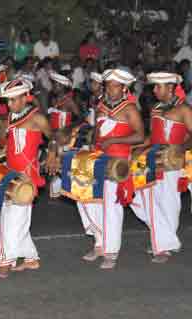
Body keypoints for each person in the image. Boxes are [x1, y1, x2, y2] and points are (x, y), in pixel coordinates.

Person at [78, 68, 144, 269]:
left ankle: (111, 251)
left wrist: (115, 139)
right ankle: (99, 241)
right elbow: (97, 131)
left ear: (124, 88)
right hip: (99, 158)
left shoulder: (129, 109)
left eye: (115, 86)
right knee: (86, 199)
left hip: (118, 162)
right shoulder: (101, 105)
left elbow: (141, 136)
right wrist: (91, 144)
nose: (110, 89)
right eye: (108, 85)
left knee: (111, 207)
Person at [0, 78, 57, 278]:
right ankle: (31, 259)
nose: (9, 105)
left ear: (25, 97)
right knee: (11, 219)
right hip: (10, 174)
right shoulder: (10, 118)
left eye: (12, 100)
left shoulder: (37, 118)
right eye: (7, 101)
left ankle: (5, 262)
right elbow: (9, 144)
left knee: (14, 222)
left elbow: (52, 138)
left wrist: (52, 154)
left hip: (27, 178)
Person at [130, 72, 192, 263]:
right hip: (151, 158)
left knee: (167, 202)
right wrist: (137, 148)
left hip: (171, 161)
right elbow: (152, 136)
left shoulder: (184, 109)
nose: (155, 90)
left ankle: (163, 244)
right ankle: (166, 238)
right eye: (154, 86)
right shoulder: (155, 108)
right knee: (135, 195)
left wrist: (180, 148)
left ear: (171, 88)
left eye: (158, 86)